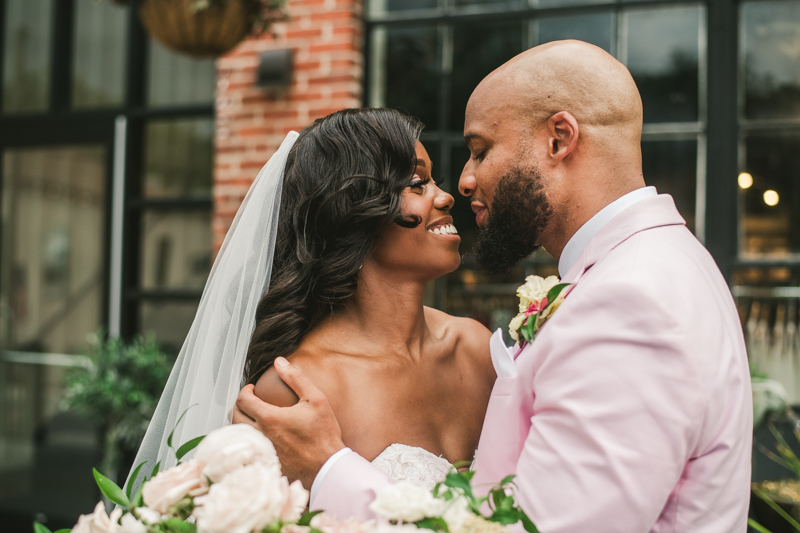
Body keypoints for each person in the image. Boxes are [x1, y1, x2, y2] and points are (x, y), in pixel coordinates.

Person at [233, 40, 753, 532]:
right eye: (417, 181)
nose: (459, 184)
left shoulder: (628, 300)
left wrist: (328, 470)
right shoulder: (650, 268)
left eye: (481, 150)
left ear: (559, 138)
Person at [129, 108, 495, 495]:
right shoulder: (295, 389)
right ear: (352, 211)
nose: (446, 196)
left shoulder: (477, 347)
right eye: (417, 182)